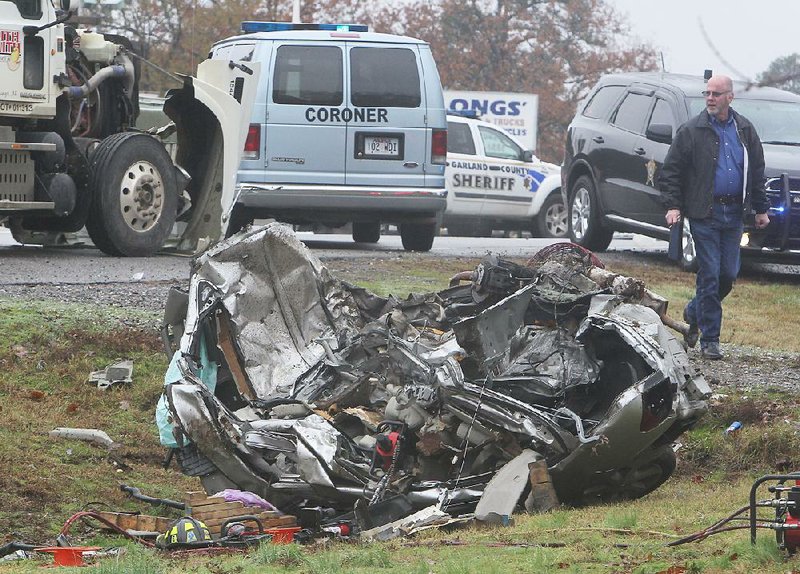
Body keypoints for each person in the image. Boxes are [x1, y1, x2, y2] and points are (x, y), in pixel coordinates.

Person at [660, 74, 770, 360]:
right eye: (707, 93)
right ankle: (710, 339)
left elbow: (756, 170)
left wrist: (761, 208)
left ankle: (693, 311)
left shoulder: (744, 129)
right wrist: (673, 205)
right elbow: (670, 171)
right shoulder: (691, 131)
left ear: (730, 97)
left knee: (727, 275)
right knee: (709, 273)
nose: (710, 98)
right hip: (704, 213)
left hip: (734, 214)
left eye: (716, 94)